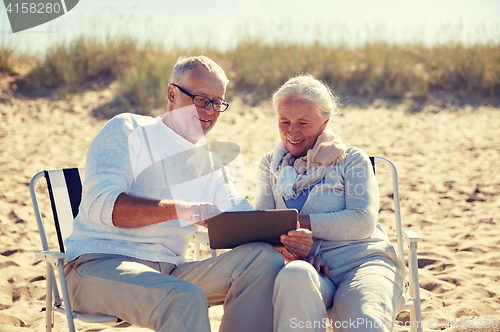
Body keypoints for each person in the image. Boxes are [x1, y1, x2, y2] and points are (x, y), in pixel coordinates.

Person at [63, 56, 288, 332]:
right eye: (202, 99)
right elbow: (102, 205)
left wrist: (287, 242)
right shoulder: (128, 129)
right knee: (184, 298)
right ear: (172, 93)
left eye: (218, 102)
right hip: (98, 266)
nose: (211, 111)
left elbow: (240, 215)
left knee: (264, 260)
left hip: (170, 272)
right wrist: (179, 209)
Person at [254, 74, 406, 332]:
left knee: (365, 323)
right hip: (307, 266)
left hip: (362, 264)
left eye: (303, 122)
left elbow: (362, 222)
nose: (292, 131)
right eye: (284, 121)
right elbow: (261, 227)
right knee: (293, 276)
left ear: (324, 123)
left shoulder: (351, 160)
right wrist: (293, 253)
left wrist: (293, 222)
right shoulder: (270, 165)